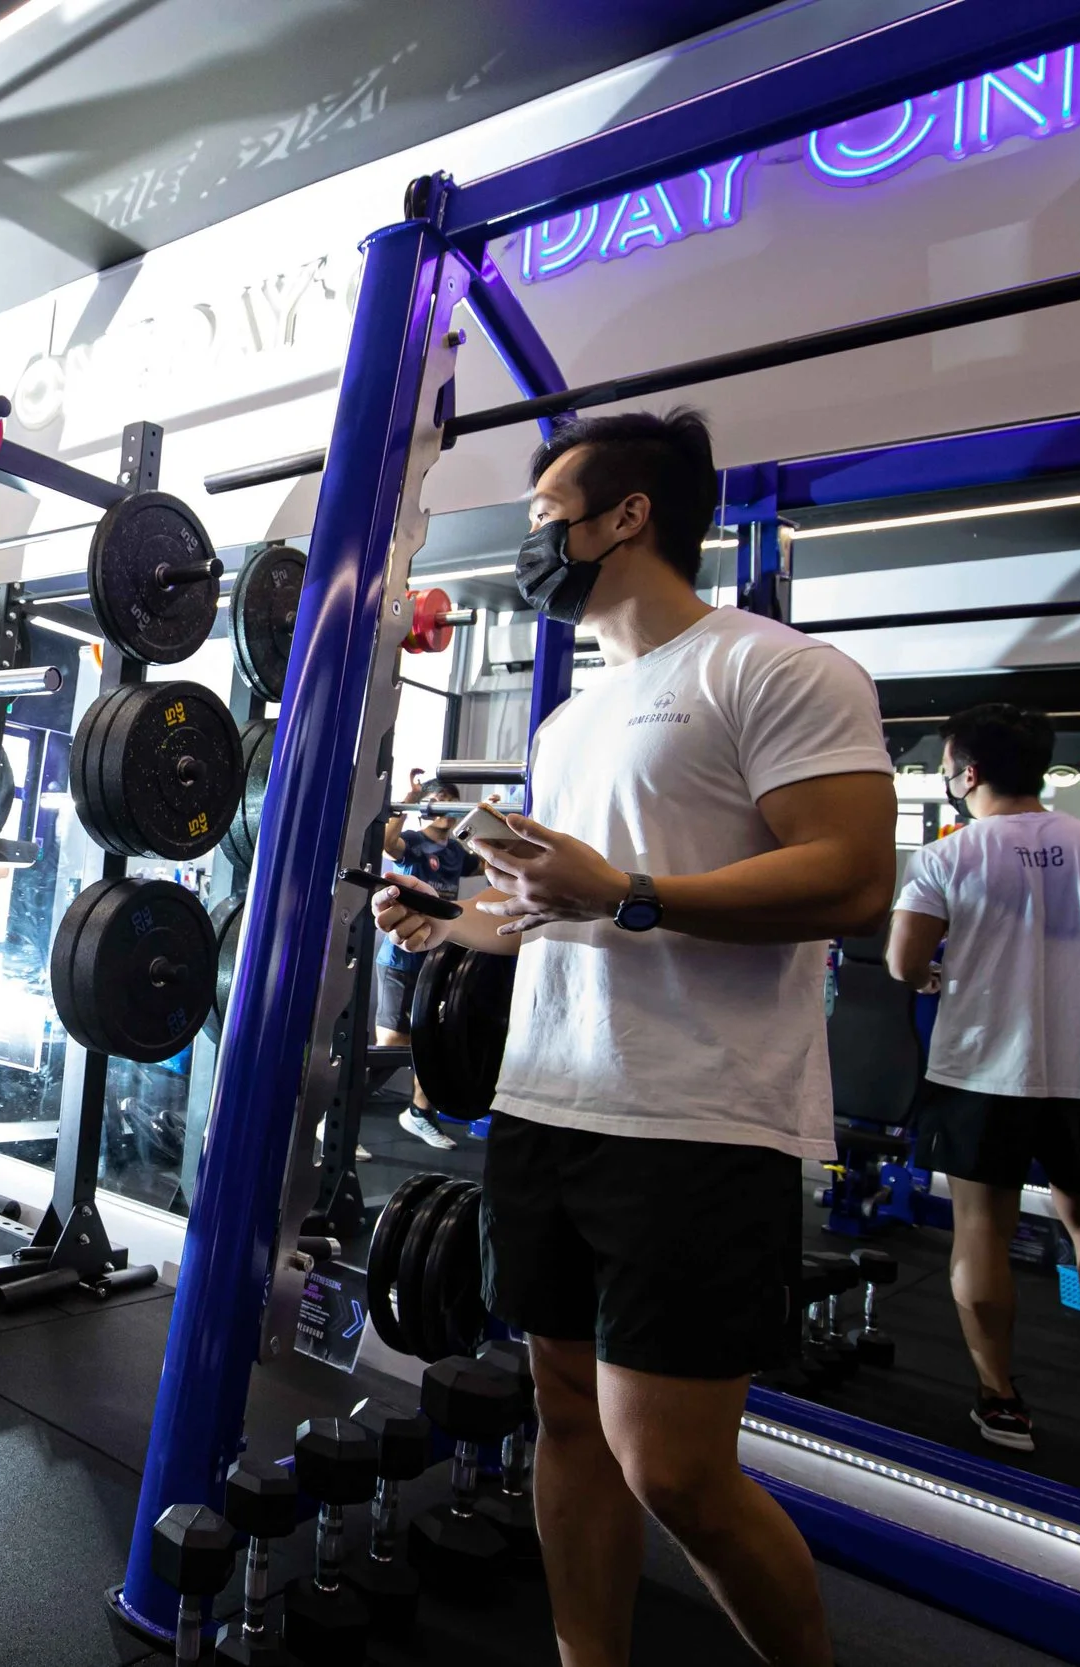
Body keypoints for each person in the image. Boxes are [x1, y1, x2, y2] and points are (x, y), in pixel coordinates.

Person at [373, 409, 894, 1667]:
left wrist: (631, 893)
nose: (532, 540)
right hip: (551, 1103)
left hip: (697, 1120)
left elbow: (853, 880)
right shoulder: (567, 724)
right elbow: (566, 909)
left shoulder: (770, 668)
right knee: (561, 1415)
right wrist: (457, 923)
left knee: (674, 1469)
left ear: (626, 516)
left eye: (549, 511)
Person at [885, 702, 1080, 1454]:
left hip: (981, 1070)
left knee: (982, 1229)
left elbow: (903, 964)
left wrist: (938, 975)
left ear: (966, 772)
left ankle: (1002, 1401)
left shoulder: (949, 856)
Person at [374, 780, 480, 1148]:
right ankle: (332, 1117)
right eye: (443, 800)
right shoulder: (415, 844)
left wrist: (489, 822)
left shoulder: (454, 850)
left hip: (435, 960)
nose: (449, 808)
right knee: (390, 1047)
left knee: (430, 1042)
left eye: (454, 801)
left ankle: (419, 1114)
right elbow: (388, 844)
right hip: (401, 958)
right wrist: (407, 803)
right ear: (428, 806)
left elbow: (485, 860)